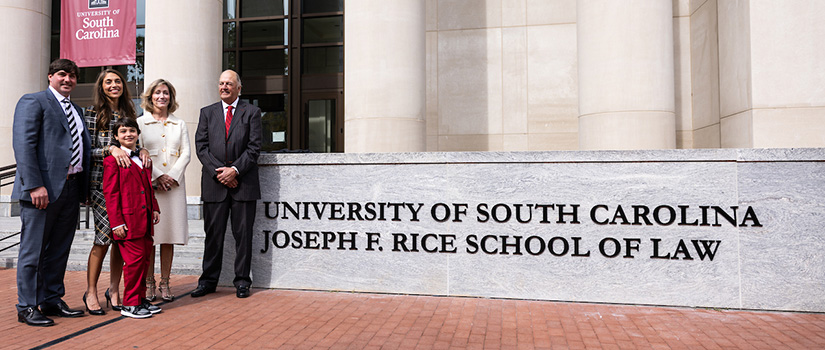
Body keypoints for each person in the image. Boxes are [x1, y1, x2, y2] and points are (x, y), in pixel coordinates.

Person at [12, 58, 90, 326]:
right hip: (42, 191)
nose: (67, 79)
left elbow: (81, 148)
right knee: (33, 251)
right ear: (50, 77)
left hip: (70, 187)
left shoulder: (77, 110)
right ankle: (27, 306)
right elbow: (24, 145)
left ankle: (52, 299)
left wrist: (84, 189)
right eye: (61, 75)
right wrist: (34, 185)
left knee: (59, 250)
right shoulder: (34, 101)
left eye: (71, 76)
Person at [83, 69, 151, 314]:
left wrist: (141, 150)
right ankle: (90, 291)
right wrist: (109, 150)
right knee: (103, 239)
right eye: (108, 82)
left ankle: (114, 289)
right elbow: (85, 152)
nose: (114, 85)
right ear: (101, 86)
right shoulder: (91, 113)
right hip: (102, 185)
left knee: (121, 239)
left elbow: (132, 142)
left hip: (128, 187)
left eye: (118, 81)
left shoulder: (128, 112)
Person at [192, 70, 261, 299]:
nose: (224, 87)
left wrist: (235, 171)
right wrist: (219, 173)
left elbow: (254, 148)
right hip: (214, 185)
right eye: (221, 83)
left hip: (244, 184)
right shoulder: (207, 113)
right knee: (213, 235)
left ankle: (242, 282)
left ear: (239, 88)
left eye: (229, 83)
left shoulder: (252, 112)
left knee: (243, 236)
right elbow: (201, 147)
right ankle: (208, 281)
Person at [102, 118, 162, 318]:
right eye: (123, 131)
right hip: (127, 221)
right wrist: (116, 222)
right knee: (134, 262)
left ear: (138, 134)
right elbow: (111, 194)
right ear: (116, 137)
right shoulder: (112, 161)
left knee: (144, 260)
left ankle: (140, 298)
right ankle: (130, 304)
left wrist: (154, 208)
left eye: (132, 131)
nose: (128, 134)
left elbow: (148, 188)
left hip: (144, 220)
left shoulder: (144, 159)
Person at [137, 79, 190, 302]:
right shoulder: (141, 123)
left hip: (175, 186)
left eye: (166, 93)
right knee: (151, 235)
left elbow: (186, 153)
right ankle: (149, 283)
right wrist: (158, 176)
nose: (162, 96)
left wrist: (172, 176)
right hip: (151, 185)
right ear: (150, 97)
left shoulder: (180, 124)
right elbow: (138, 153)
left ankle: (165, 282)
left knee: (169, 236)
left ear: (171, 97)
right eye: (157, 93)